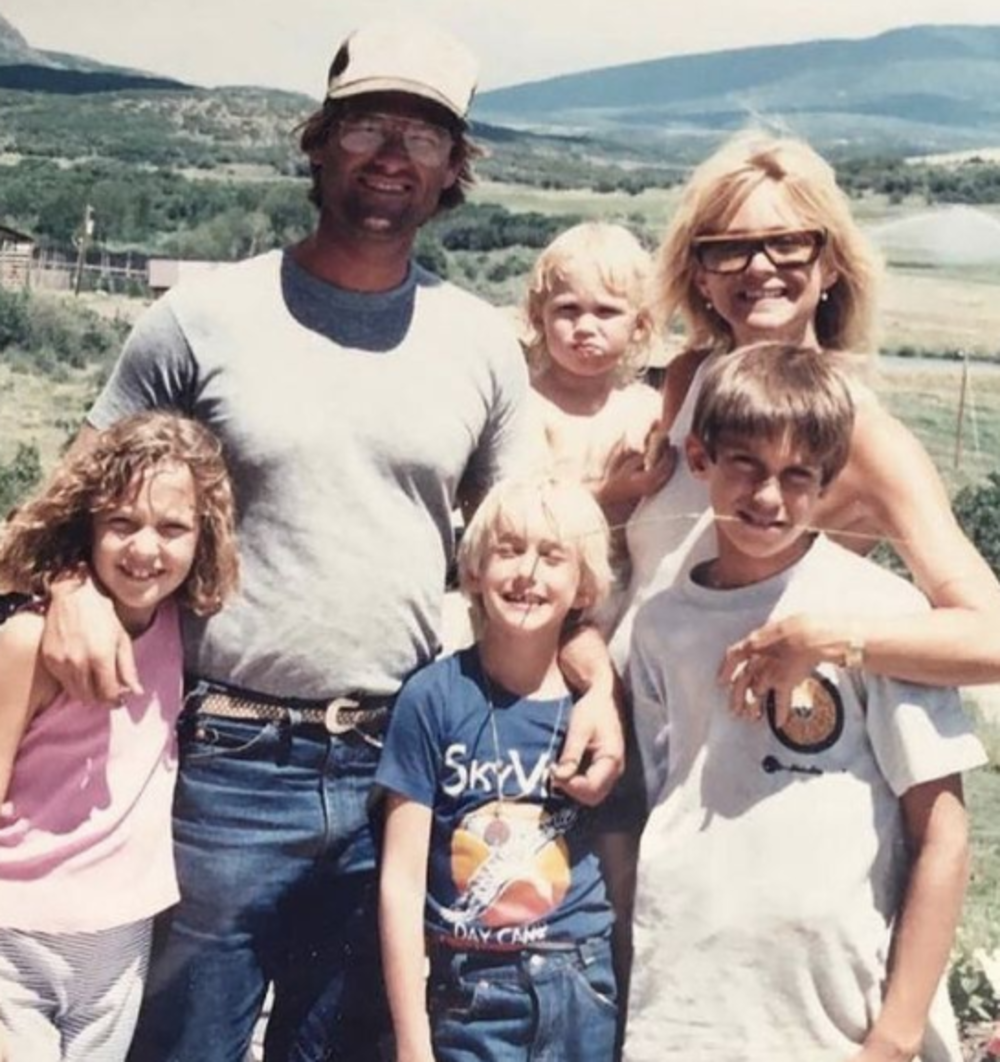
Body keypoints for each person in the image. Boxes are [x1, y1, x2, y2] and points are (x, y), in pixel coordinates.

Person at [36, 21, 622, 1062]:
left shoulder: (478, 344)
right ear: (318, 142)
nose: (392, 155)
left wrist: (598, 684)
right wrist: (74, 586)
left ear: (452, 169)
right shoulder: (201, 320)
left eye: (423, 135)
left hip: (397, 769)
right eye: (367, 127)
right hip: (221, 764)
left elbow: (536, 552)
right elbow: (59, 508)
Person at [623, 343, 986, 1062]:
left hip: (832, 1016)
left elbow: (943, 835)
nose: (768, 497)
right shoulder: (662, 621)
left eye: (797, 476)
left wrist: (896, 1034)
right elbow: (662, 798)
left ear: (828, 482)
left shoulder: (880, 616)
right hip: (683, 1005)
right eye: (746, 465)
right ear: (699, 458)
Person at [615, 131, 1000, 712]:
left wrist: (836, 641)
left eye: (789, 243)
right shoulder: (690, 378)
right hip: (623, 713)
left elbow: (989, 634)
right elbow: (654, 571)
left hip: (731, 737)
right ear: (700, 275)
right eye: (729, 248)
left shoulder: (862, 434)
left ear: (831, 265)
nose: (759, 266)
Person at [0, 412, 238, 1062]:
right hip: (16, 934)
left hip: (121, 937)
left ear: (204, 536)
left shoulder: (180, 627)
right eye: (122, 522)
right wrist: (66, 584)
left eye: (172, 528)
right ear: (86, 523)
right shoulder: (29, 641)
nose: (145, 549)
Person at [378, 476, 619, 1062]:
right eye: (508, 550)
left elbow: (620, 863)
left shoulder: (597, 715)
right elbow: (401, 881)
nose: (527, 573)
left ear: (584, 586)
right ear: (474, 571)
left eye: (552, 557)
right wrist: (412, 1041)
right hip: (473, 992)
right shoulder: (433, 698)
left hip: (582, 982)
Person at [522, 221, 674, 632]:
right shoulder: (529, 406)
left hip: (630, 593)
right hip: (540, 591)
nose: (586, 327)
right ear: (538, 317)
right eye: (567, 310)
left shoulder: (648, 408)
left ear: (640, 325)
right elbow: (524, 509)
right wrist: (610, 492)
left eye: (606, 311)